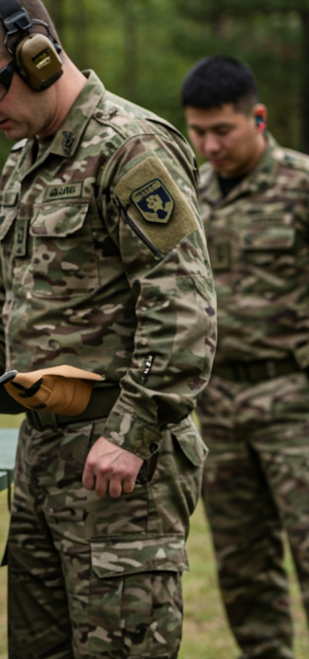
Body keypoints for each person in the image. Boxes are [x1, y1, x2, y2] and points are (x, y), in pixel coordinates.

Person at [0, 0, 216, 657]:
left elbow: (183, 308)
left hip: (120, 464)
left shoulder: (130, 150)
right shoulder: (26, 161)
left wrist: (130, 435)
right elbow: (5, 299)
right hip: (44, 454)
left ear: (40, 58)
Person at [182, 55, 309, 659]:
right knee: (242, 566)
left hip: (295, 402)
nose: (210, 145)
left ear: (257, 118)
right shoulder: (186, 197)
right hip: (219, 406)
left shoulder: (301, 187)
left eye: (222, 130)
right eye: (198, 131)